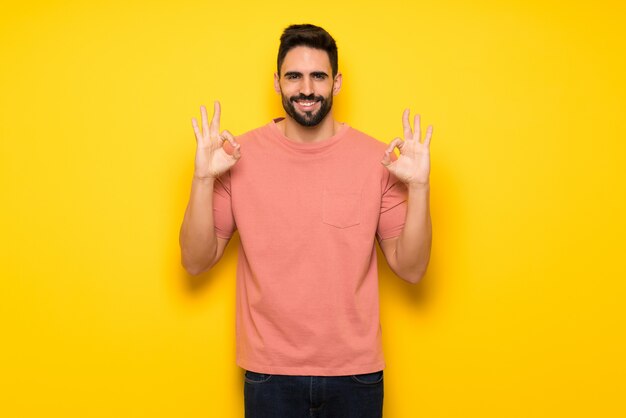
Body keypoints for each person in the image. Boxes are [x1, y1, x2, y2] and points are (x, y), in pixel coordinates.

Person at [179, 24, 433, 418]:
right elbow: (195, 260)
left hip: (357, 375)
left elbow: (412, 268)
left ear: (337, 82)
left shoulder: (377, 159)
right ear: (277, 83)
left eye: (319, 76)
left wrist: (418, 188)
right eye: (294, 76)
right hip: (269, 374)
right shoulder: (236, 156)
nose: (307, 89)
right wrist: (203, 178)